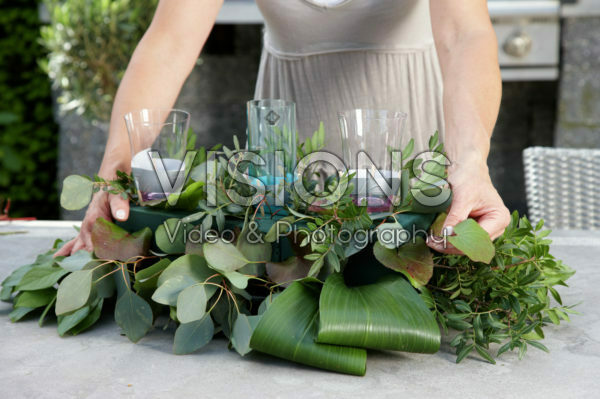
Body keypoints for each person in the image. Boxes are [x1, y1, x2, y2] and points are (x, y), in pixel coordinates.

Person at [55, 0, 510, 257]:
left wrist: (470, 161)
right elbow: (169, 42)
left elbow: (464, 34)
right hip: (284, 150)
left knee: (405, 266)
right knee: (281, 272)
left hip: (401, 147)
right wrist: (117, 164)